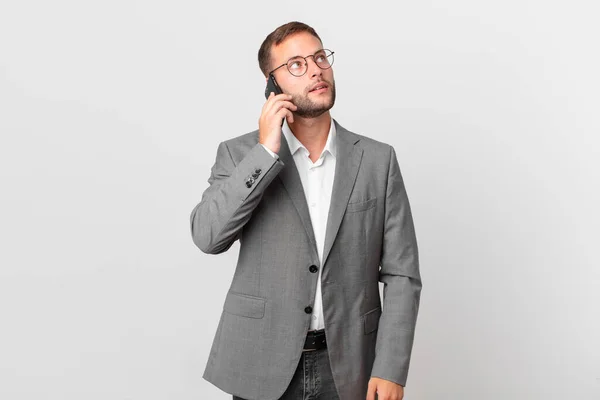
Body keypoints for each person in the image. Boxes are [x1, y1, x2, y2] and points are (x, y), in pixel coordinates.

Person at [190, 21, 422, 400]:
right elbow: (207, 236)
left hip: (350, 366)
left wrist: (391, 367)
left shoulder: (378, 160)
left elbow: (402, 274)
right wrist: (265, 152)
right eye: (296, 64)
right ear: (272, 85)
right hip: (261, 364)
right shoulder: (239, 155)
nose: (315, 69)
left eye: (319, 57)